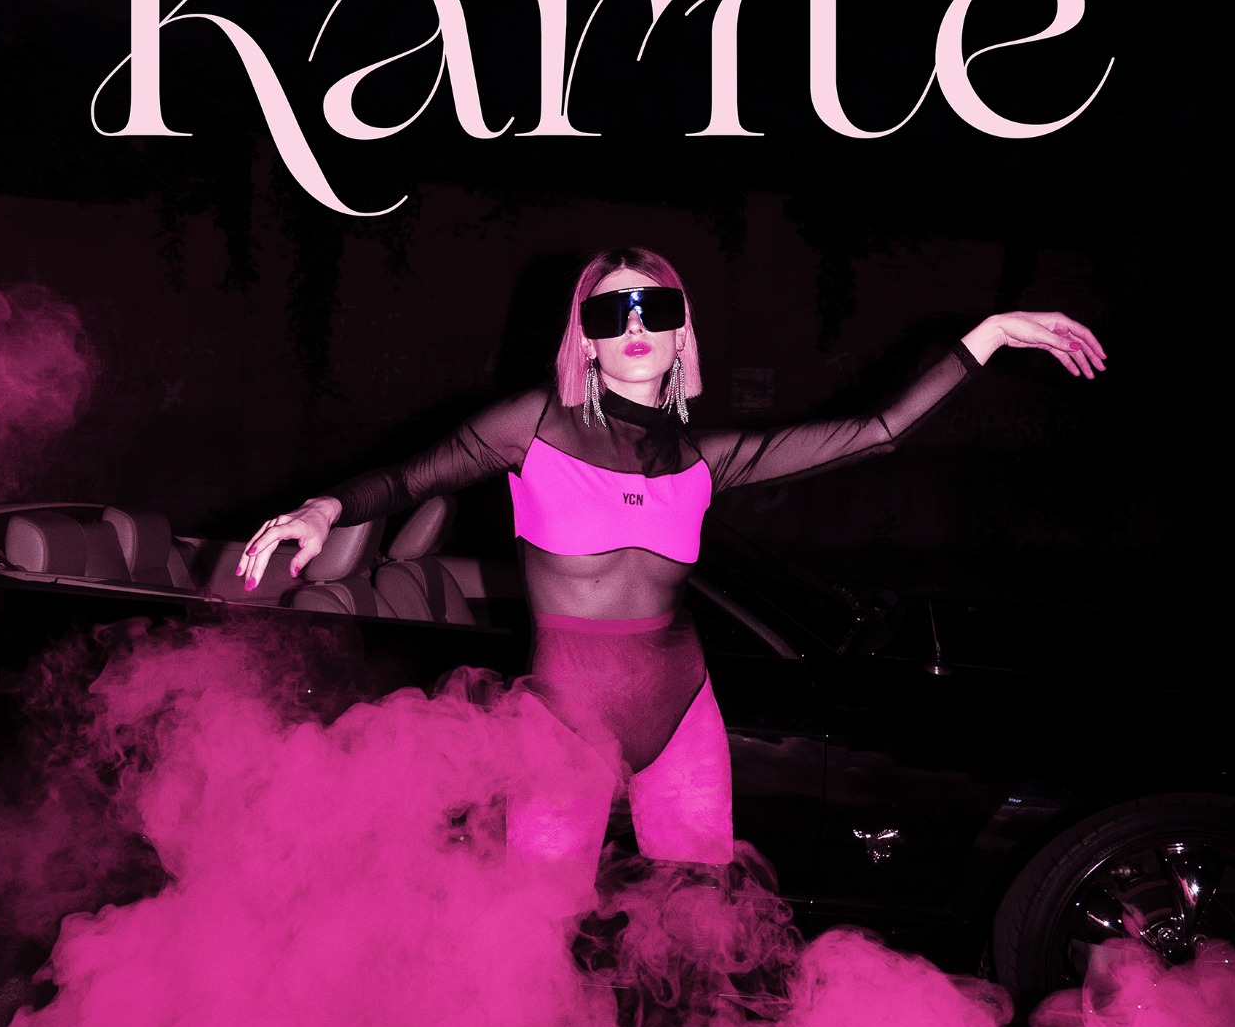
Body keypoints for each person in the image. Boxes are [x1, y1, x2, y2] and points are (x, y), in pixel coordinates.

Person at [241, 246, 1105, 885]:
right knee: (536, 935)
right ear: (584, 340)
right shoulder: (531, 427)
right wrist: (324, 509)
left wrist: (989, 335)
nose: (634, 327)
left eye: (652, 308)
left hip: (682, 711)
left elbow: (876, 432)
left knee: (695, 931)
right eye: (609, 313)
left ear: (681, 330)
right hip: (563, 718)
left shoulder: (704, 457)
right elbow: (408, 476)